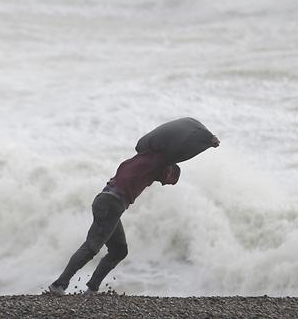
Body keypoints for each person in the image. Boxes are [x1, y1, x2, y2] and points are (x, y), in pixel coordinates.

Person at [47, 118, 220, 295]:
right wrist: (208, 141)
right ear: (169, 169)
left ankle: (92, 288)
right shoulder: (160, 161)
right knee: (92, 246)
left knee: (119, 250)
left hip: (108, 202)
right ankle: (59, 284)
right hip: (111, 203)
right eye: (169, 180)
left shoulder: (143, 158)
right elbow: (182, 151)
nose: (163, 183)